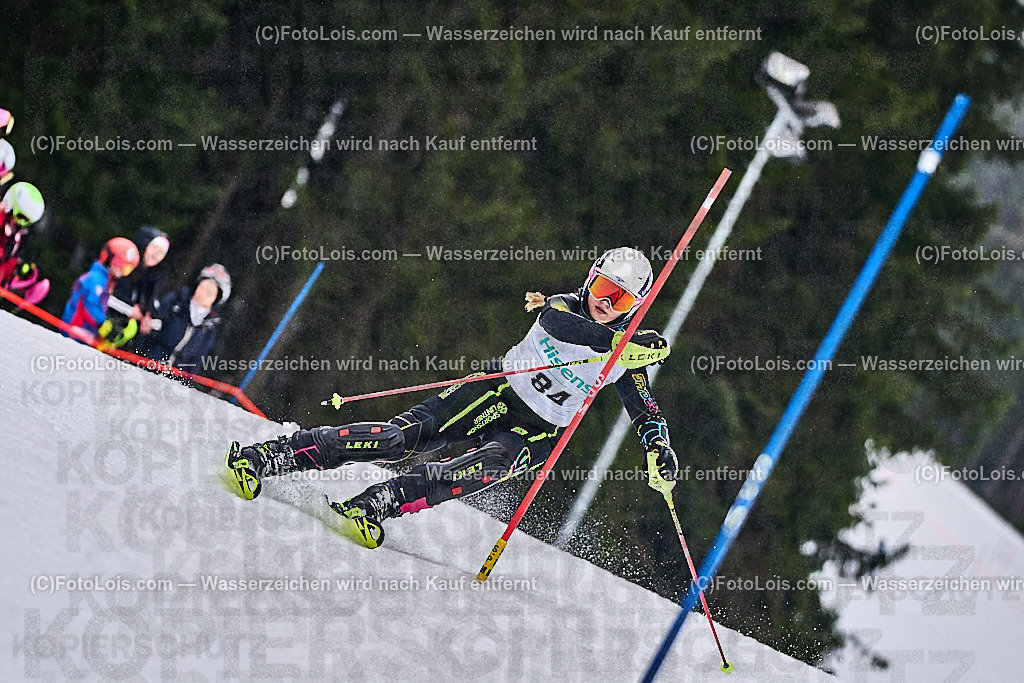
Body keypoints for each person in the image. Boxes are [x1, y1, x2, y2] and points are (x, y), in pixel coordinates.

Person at [225, 247, 679, 548]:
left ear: (634, 307)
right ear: (589, 281)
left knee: (480, 468)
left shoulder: (627, 356)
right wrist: (617, 342)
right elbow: (559, 325)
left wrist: (659, 448)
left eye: (619, 299)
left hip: (538, 432)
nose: (605, 302)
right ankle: (277, 454)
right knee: (399, 439)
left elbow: (645, 410)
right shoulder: (564, 306)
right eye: (602, 288)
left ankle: (381, 501)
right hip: (497, 388)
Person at [138, 263, 230, 370]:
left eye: (210, 292)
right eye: (203, 287)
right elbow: (148, 327)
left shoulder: (210, 326)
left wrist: (184, 377)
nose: (204, 293)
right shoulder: (176, 302)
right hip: (148, 363)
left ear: (217, 298)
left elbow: (197, 360)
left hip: (176, 374)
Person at [61, 237, 140, 341]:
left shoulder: (107, 282)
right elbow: (90, 306)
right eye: (122, 265)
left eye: (128, 269)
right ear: (112, 260)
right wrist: (104, 325)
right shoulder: (96, 278)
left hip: (85, 335)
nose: (122, 271)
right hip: (74, 332)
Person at [104, 225, 171, 348]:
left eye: (162, 252)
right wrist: (129, 310)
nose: (156, 255)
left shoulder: (154, 279)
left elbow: (160, 319)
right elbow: (104, 296)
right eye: (154, 247)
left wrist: (148, 319)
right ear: (144, 244)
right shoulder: (124, 267)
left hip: (115, 344)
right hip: (97, 328)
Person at [0, 182, 49, 304]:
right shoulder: (2, 220)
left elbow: (8, 263)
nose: (21, 223)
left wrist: (17, 274)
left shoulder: (18, 235)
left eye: (27, 221)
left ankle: (20, 296)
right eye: (20, 216)